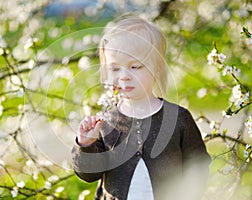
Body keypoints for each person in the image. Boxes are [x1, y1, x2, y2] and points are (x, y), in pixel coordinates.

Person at [71, 16, 211, 200]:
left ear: (157, 68)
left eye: (135, 66)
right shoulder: (105, 122)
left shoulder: (178, 119)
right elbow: (88, 174)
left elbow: (198, 167)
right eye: (114, 69)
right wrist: (86, 144)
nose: (124, 76)